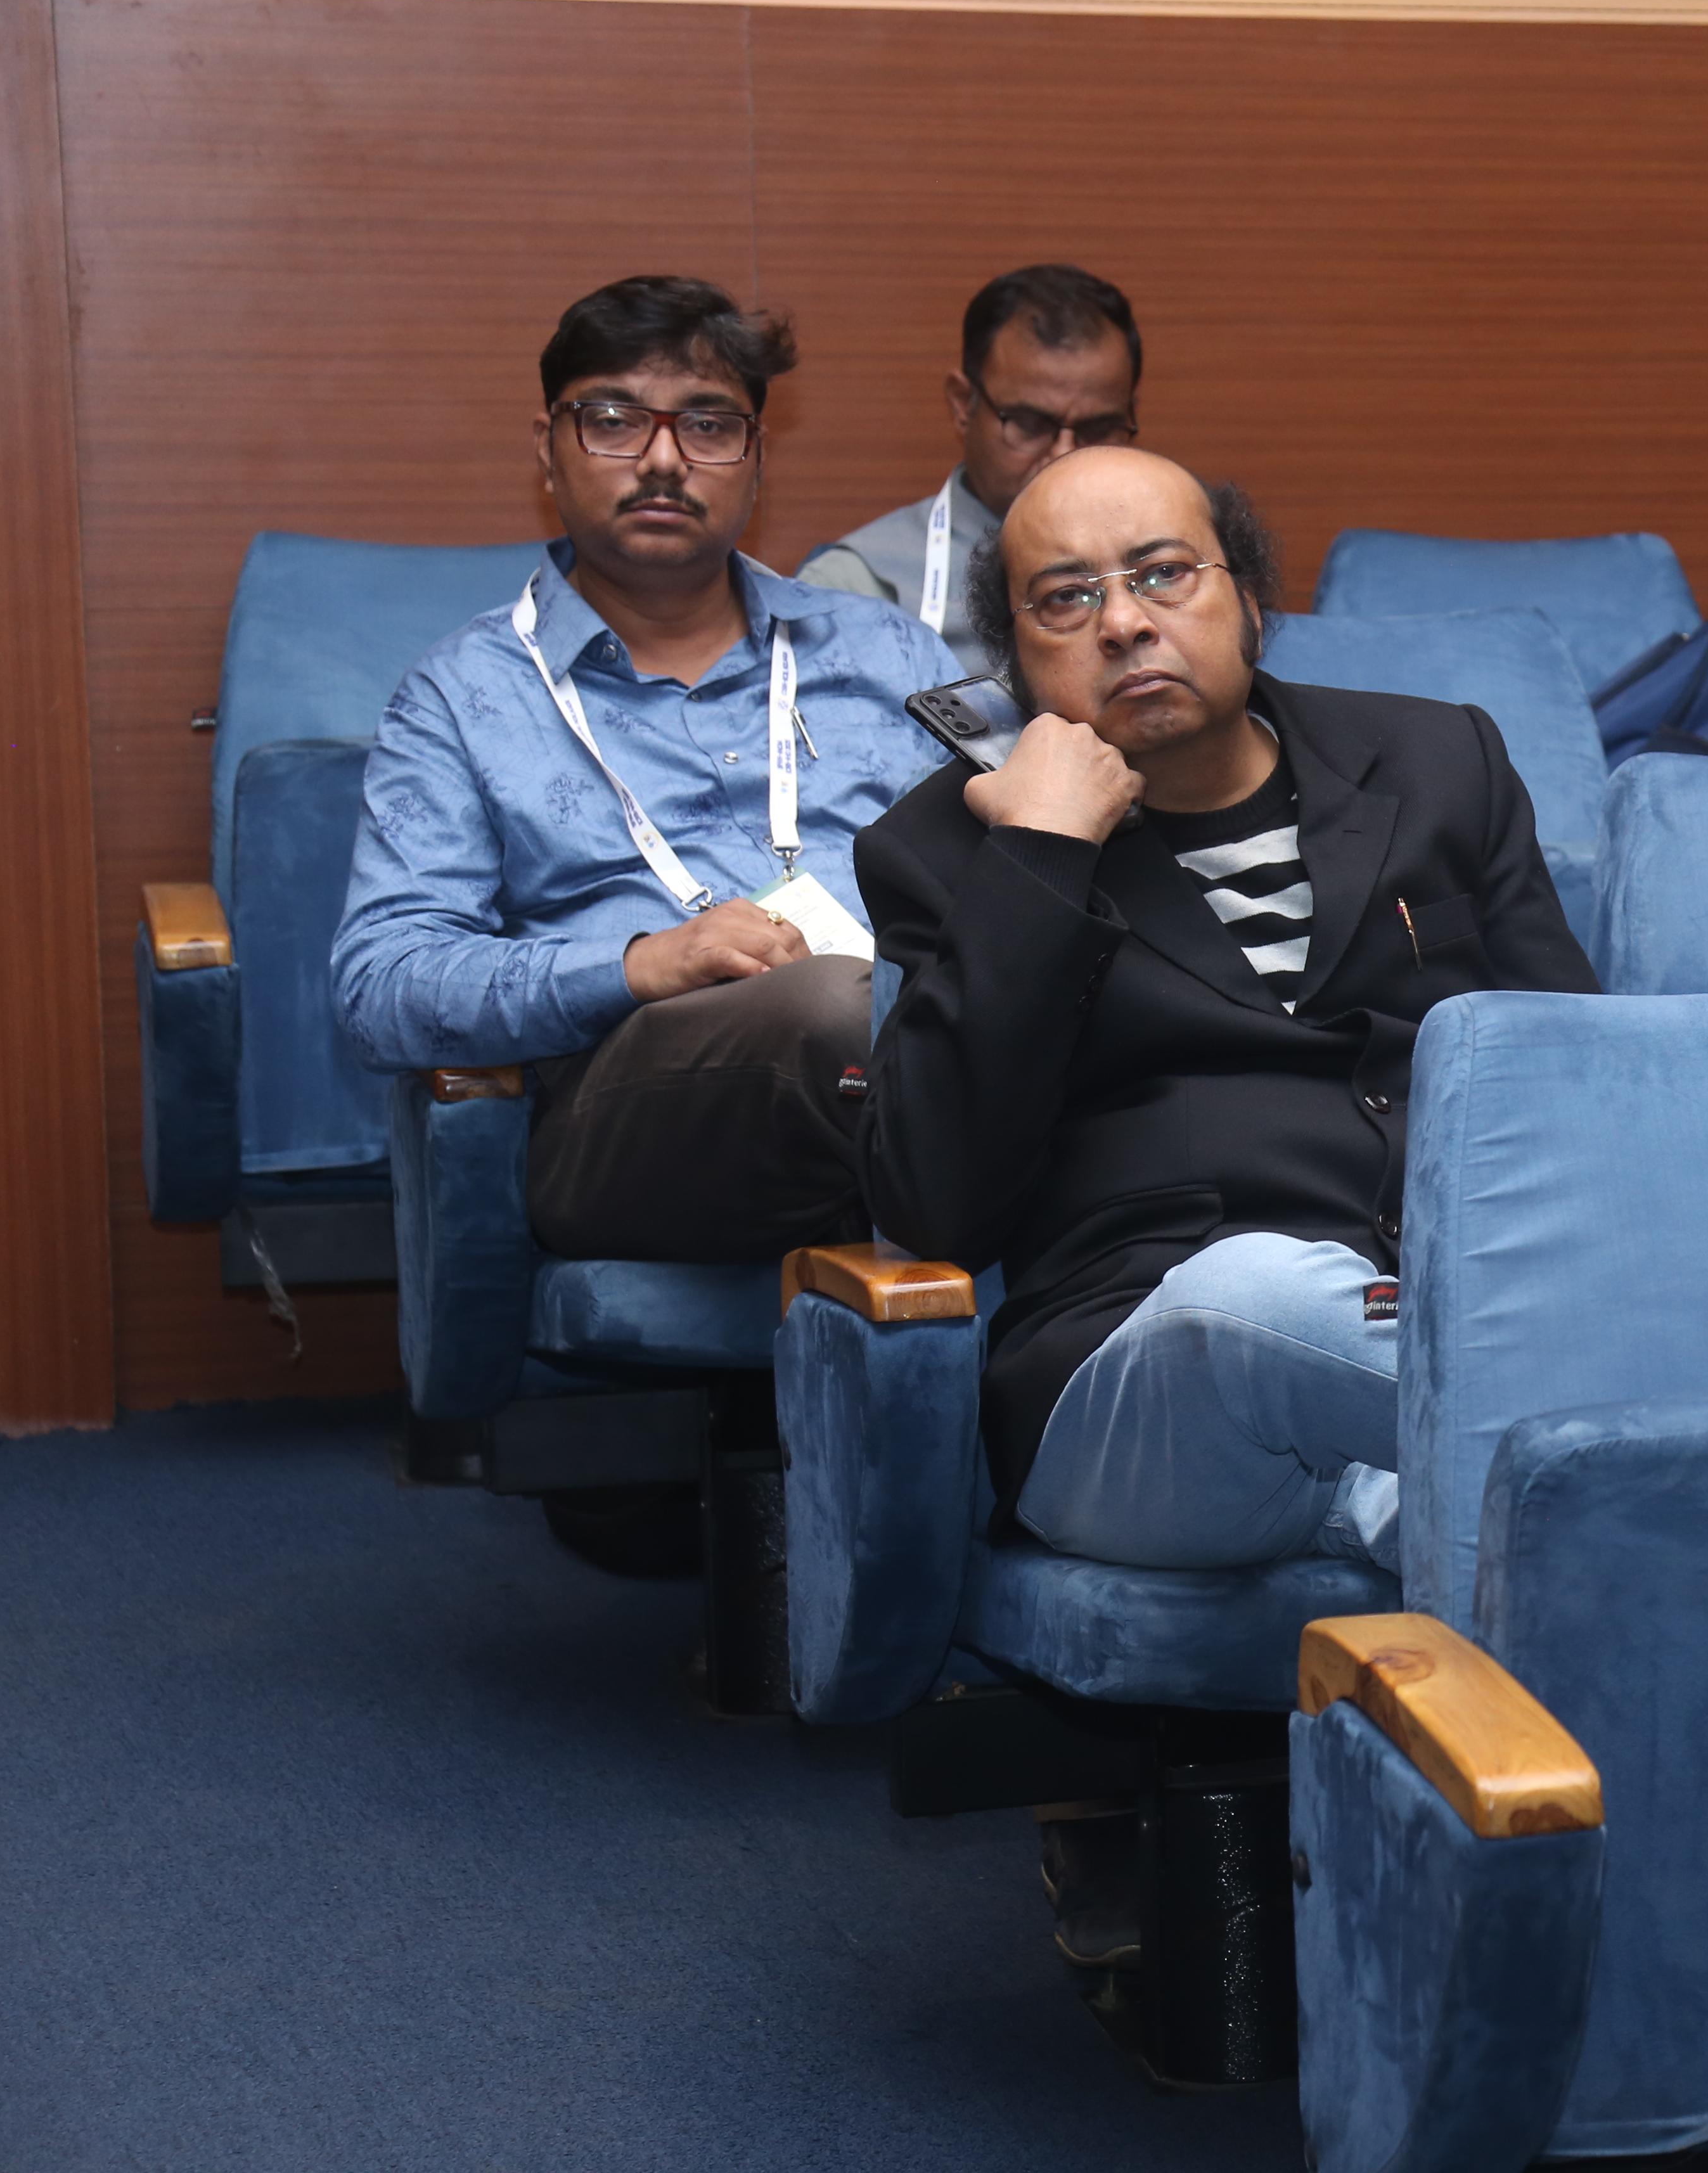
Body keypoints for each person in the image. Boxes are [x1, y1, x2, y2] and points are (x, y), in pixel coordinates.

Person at [856, 447, 1596, 1580]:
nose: (1123, 624)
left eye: (1162, 574)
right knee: (1251, 1295)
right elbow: (932, 1206)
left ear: (1248, 600)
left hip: (1442, 1316)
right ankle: (1619, 1434)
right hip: (1144, 1379)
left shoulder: (1439, 760)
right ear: (1015, 662)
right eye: (1066, 599)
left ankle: (1438, 1518)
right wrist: (1040, 857)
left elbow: (1578, 1078)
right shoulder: (949, 851)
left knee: (1443, 1504)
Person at [335, 276, 957, 1266]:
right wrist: (638, 966)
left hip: (902, 1061)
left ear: (757, 459)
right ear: (548, 449)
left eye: (709, 425)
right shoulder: (463, 695)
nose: (665, 459)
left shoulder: (892, 655)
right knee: (834, 1009)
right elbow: (384, 984)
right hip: (625, 1116)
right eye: (616, 420)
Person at [795, 264, 1143, 674]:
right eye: (1030, 424)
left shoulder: (1183, 563)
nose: (1064, 456)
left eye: (1099, 429)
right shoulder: (857, 587)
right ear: (963, 404)